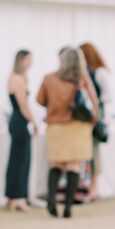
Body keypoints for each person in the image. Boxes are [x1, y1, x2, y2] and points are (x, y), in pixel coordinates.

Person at [36, 47, 98, 218]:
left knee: (56, 164)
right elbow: (94, 101)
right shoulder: (82, 78)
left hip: (55, 126)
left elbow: (40, 100)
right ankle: (68, 207)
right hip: (77, 127)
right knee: (73, 166)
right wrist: (94, 120)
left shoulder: (49, 79)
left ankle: (51, 201)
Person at [5, 50, 39, 212]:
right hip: (20, 121)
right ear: (21, 61)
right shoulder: (17, 79)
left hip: (17, 121)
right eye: (28, 60)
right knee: (21, 160)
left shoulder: (14, 77)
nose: (30, 63)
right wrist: (35, 122)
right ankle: (17, 197)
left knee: (17, 159)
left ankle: (14, 197)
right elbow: (23, 106)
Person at [79, 42, 110, 201]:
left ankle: (93, 187)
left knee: (94, 151)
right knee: (88, 151)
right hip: (88, 115)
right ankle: (89, 186)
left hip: (96, 115)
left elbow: (107, 96)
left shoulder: (100, 73)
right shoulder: (86, 73)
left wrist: (97, 114)